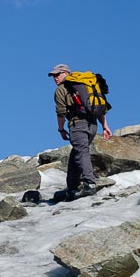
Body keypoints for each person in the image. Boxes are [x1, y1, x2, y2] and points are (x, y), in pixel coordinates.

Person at [48, 63, 112, 200]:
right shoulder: (85, 84)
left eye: (58, 74)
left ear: (66, 73)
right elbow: (98, 107)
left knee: (81, 151)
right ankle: (72, 188)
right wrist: (105, 126)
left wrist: (60, 129)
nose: (55, 78)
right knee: (75, 154)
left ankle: (90, 183)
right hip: (92, 125)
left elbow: (61, 112)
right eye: (53, 76)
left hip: (78, 125)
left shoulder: (61, 89)